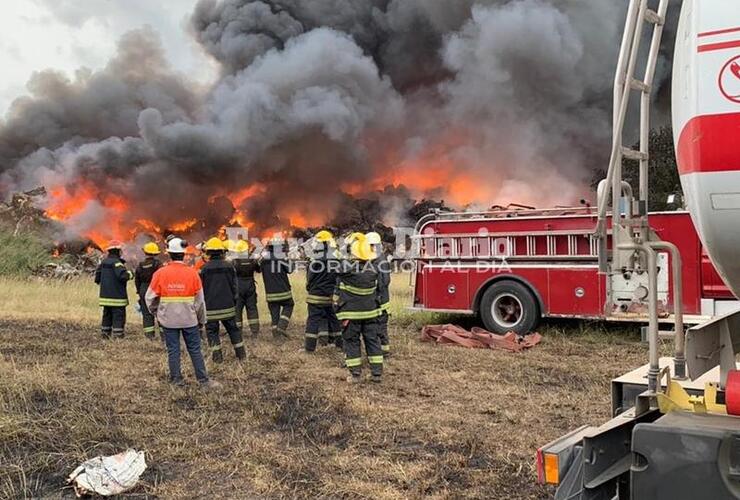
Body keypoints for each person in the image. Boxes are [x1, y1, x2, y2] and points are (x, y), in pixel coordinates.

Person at [145, 237, 219, 388]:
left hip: (168, 320)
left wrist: (157, 313)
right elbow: (200, 301)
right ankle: (204, 381)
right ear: (184, 254)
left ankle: (176, 380)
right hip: (189, 319)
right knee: (195, 349)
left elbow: (149, 298)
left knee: (173, 350)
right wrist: (201, 320)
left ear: (169, 254)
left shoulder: (160, 273)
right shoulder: (192, 274)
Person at [335, 233, 384, 383]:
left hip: (352, 314)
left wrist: (344, 250)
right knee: (372, 341)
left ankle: (355, 374)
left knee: (352, 341)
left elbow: (336, 264)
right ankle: (376, 373)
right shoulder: (374, 269)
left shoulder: (348, 270)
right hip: (370, 313)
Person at [200, 238, 246, 363]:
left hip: (210, 309)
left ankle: (217, 359)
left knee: (212, 332)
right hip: (228, 307)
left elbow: (201, 290)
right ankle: (241, 356)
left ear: (208, 252)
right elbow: (235, 286)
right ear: (222, 252)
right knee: (233, 330)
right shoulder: (229, 266)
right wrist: (234, 301)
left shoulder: (204, 269)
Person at [304, 230, 342, 352]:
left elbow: (310, 278)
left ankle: (309, 348)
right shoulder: (336, 259)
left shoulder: (316, 259)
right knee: (334, 319)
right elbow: (338, 277)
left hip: (316, 295)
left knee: (313, 320)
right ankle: (340, 344)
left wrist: (309, 287)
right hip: (330, 295)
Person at [95, 240, 133, 339]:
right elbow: (123, 276)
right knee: (118, 317)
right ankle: (118, 336)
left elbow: (97, 278)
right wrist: (131, 274)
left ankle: (105, 334)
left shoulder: (103, 262)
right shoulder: (117, 263)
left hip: (105, 297)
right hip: (117, 298)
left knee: (107, 315)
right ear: (117, 251)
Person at [260, 235, 294, 340]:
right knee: (289, 305)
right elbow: (290, 269)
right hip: (284, 292)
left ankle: (276, 336)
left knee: (274, 313)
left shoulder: (263, 261)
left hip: (270, 293)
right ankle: (282, 326)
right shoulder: (281, 258)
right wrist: (289, 259)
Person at [366, 232, 391, 356]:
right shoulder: (376, 259)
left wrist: (375, 291)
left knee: (380, 326)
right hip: (377, 300)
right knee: (376, 326)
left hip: (380, 300)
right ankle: (381, 350)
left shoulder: (379, 260)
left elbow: (385, 281)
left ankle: (384, 351)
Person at [232, 240, 261, 338]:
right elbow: (259, 269)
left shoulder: (234, 261)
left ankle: (238, 331)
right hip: (250, 286)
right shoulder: (252, 260)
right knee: (252, 308)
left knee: (237, 310)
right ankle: (255, 331)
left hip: (238, 287)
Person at [135, 242, 163, 341]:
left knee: (146, 314)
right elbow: (161, 277)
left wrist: (139, 292)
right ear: (155, 253)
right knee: (160, 312)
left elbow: (137, 280)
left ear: (145, 253)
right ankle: (164, 336)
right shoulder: (158, 264)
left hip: (143, 289)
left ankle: (149, 336)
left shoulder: (140, 265)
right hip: (155, 289)